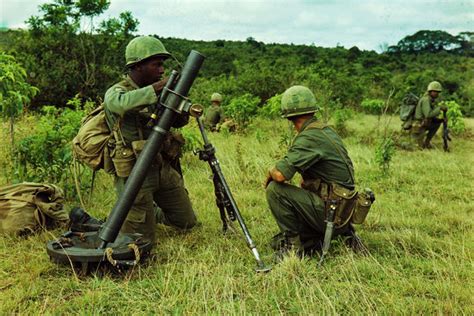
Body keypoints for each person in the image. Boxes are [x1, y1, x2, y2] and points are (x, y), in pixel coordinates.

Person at [103, 36, 197, 246]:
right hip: (134, 173)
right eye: (157, 64)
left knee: (186, 222)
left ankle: (152, 212)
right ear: (137, 66)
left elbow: (179, 123)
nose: (162, 70)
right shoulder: (118, 91)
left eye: (162, 65)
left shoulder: (158, 91)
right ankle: (134, 212)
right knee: (141, 242)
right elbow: (119, 105)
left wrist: (178, 102)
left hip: (160, 165)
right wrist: (156, 89)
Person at [264, 85, 359, 259]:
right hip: (344, 213)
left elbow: (280, 175)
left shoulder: (309, 137)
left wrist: (270, 171)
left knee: (275, 190)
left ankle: (293, 249)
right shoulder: (324, 130)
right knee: (275, 242)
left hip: (333, 215)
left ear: (289, 116)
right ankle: (341, 236)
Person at [412, 81, 447, 149]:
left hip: (424, 123)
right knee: (418, 148)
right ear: (431, 91)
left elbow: (431, 116)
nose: (437, 94)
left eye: (438, 92)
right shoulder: (426, 100)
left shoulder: (431, 100)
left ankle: (427, 142)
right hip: (419, 125)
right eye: (436, 92)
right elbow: (428, 114)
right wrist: (439, 108)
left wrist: (441, 120)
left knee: (437, 123)